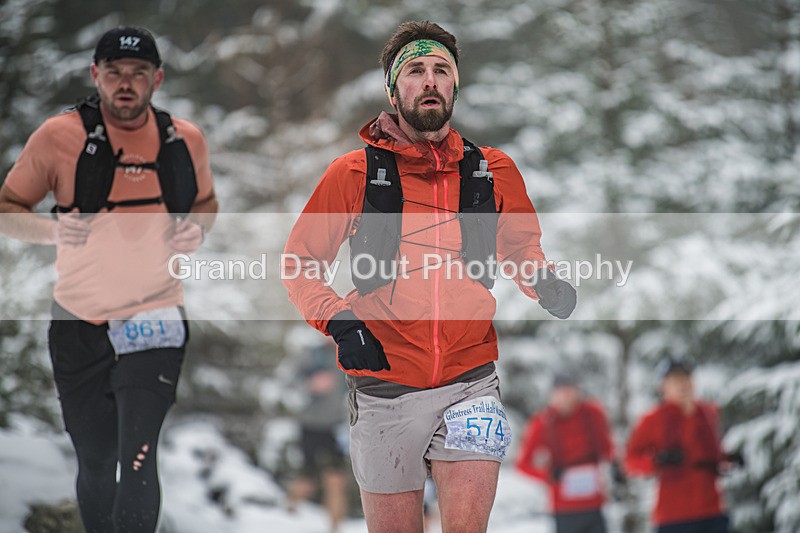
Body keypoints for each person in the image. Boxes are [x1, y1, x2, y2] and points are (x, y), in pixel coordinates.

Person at [282, 20, 576, 532]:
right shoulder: (353, 173)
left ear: (455, 85)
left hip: (470, 382)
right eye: (416, 70)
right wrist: (339, 321)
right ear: (395, 89)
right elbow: (299, 263)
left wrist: (543, 281)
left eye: (442, 69)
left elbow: (521, 250)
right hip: (385, 386)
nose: (430, 80)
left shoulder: (492, 170)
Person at [0, 26, 217, 532]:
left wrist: (195, 229)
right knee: (97, 461)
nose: (126, 83)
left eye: (138, 73)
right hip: (78, 320)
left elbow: (206, 202)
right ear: (95, 74)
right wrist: (53, 230)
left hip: (155, 314)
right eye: (115, 72)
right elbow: (7, 209)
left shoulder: (183, 139)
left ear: (156, 79)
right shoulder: (59, 137)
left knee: (138, 457)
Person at [625, 358, 740, 533]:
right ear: (663, 386)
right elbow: (630, 461)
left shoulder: (708, 413)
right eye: (675, 381)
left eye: (686, 379)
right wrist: (657, 461)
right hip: (674, 515)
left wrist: (728, 458)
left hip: (712, 510)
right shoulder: (653, 419)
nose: (682, 385)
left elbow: (711, 453)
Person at [515, 373, 614, 533]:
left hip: (594, 504)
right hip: (564, 508)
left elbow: (608, 449)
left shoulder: (593, 414)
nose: (567, 397)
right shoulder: (543, 422)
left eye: (570, 390)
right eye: (561, 392)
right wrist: (548, 475)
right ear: (552, 395)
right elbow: (522, 464)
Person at [285, 343, 349, 533]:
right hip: (310, 426)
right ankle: (286, 511)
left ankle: (335, 529)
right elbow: (288, 385)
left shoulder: (350, 350)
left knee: (336, 481)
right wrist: (309, 385)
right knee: (307, 481)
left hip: (336, 427)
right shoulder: (311, 354)